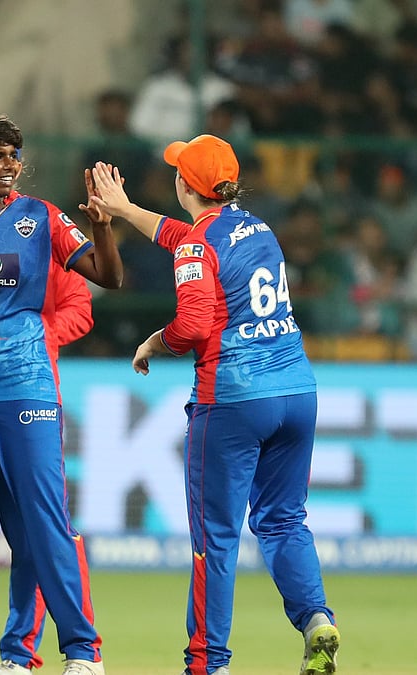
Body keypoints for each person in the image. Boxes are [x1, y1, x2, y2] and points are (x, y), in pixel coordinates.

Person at [88, 134, 340, 675]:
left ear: (185, 183)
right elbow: (187, 239)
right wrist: (126, 209)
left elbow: (194, 323)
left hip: (233, 399)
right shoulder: (258, 227)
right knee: (283, 520)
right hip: (296, 390)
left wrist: (156, 341)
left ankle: (207, 663)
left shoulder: (197, 247)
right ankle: (316, 618)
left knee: (215, 540)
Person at [0, 109, 122, 675]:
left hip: (26, 386)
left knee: (43, 523)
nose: (11, 165)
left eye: (14, 155)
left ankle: (80, 652)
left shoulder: (42, 217)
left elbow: (109, 277)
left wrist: (103, 227)